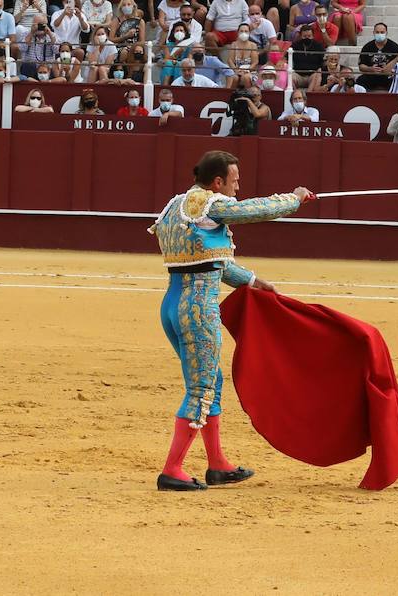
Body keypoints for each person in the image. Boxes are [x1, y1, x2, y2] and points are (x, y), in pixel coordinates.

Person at [148, 150, 313, 491]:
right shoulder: (210, 204)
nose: (238, 188)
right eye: (234, 182)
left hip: (173, 305)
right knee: (201, 389)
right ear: (218, 181)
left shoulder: (176, 205)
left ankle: (217, 464)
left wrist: (253, 282)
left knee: (212, 383)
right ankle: (172, 469)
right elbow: (255, 210)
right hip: (197, 310)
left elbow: (210, 263)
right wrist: (293, 200)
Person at [356, 23, 398, 91]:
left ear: (386, 33)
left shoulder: (394, 47)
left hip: (388, 77)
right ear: (373, 33)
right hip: (371, 75)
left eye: (382, 32)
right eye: (377, 32)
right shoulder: (367, 47)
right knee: (359, 81)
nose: (379, 34)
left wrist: (387, 69)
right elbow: (361, 66)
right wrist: (370, 69)